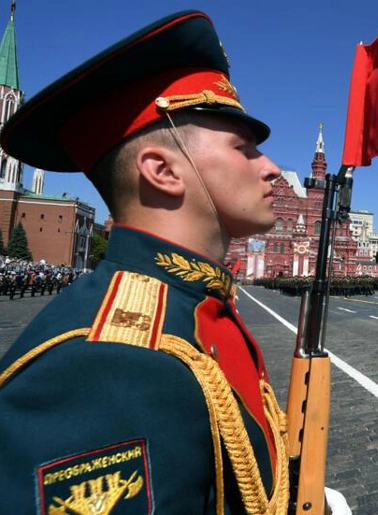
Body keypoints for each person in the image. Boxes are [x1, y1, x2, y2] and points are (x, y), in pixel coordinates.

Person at [0, 12, 317, 513]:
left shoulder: (195, 305)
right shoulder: (106, 365)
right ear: (164, 171)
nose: (273, 167)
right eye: (245, 148)